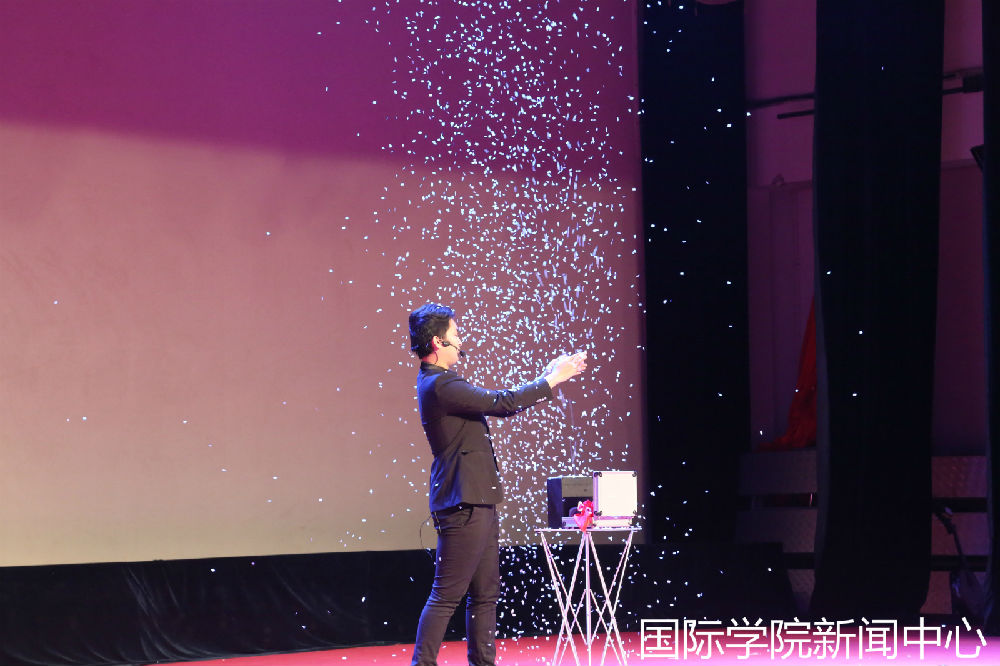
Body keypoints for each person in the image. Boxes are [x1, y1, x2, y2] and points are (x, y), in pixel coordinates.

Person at [407, 303, 587, 666]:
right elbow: (502, 403)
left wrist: (548, 376)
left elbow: (504, 401)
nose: (461, 341)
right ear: (439, 342)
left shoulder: (441, 382)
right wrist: (552, 380)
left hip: (477, 498)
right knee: (447, 595)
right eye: (456, 334)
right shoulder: (440, 384)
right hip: (462, 501)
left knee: (485, 593)